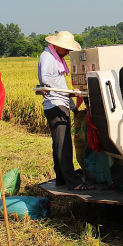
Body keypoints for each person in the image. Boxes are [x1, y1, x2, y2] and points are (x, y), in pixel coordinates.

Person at [38, 31, 95, 192]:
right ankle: (73, 182)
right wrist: (69, 92)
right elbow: (46, 79)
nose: (68, 52)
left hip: (60, 103)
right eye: (66, 49)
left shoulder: (57, 58)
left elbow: (60, 84)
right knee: (63, 145)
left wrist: (73, 107)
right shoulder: (47, 57)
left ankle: (61, 179)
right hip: (54, 105)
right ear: (58, 46)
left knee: (59, 143)